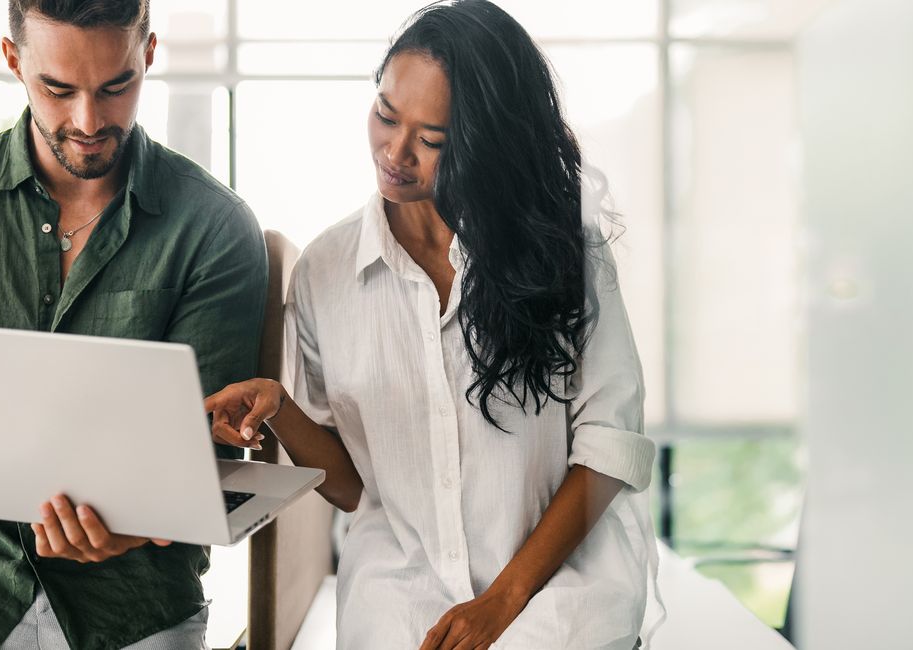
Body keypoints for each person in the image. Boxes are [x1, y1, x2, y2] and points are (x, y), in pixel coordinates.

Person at [204, 1, 661, 648]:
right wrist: (280, 409)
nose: (395, 151)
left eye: (432, 139)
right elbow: (355, 487)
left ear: (487, 142)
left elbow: (608, 446)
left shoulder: (567, 253)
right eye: (386, 115)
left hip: (559, 596)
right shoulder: (327, 273)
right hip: (398, 598)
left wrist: (499, 605)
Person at [0, 1, 268, 648]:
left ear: (149, 52)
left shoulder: (214, 228)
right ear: (14, 61)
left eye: (116, 86)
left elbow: (210, 453)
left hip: (137, 598)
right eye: (57, 89)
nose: (89, 121)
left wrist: (132, 517)